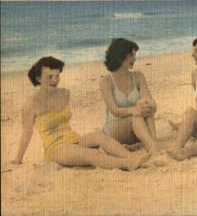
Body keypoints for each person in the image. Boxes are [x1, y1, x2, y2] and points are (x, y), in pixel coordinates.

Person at [11, 57, 149, 170]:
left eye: (57, 75)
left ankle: (131, 157)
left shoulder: (64, 94)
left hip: (75, 140)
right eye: (50, 77)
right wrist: (18, 159)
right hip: (56, 149)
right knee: (91, 154)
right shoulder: (31, 104)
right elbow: (27, 133)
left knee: (99, 135)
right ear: (38, 78)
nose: (55, 80)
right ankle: (128, 164)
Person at [99, 38, 159, 154]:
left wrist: (150, 106)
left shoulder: (138, 76)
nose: (134, 58)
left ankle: (152, 143)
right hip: (115, 130)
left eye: (135, 55)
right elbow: (114, 110)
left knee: (147, 108)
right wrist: (134, 110)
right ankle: (153, 149)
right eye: (131, 55)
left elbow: (149, 100)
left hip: (138, 130)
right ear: (120, 56)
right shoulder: (106, 81)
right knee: (136, 115)